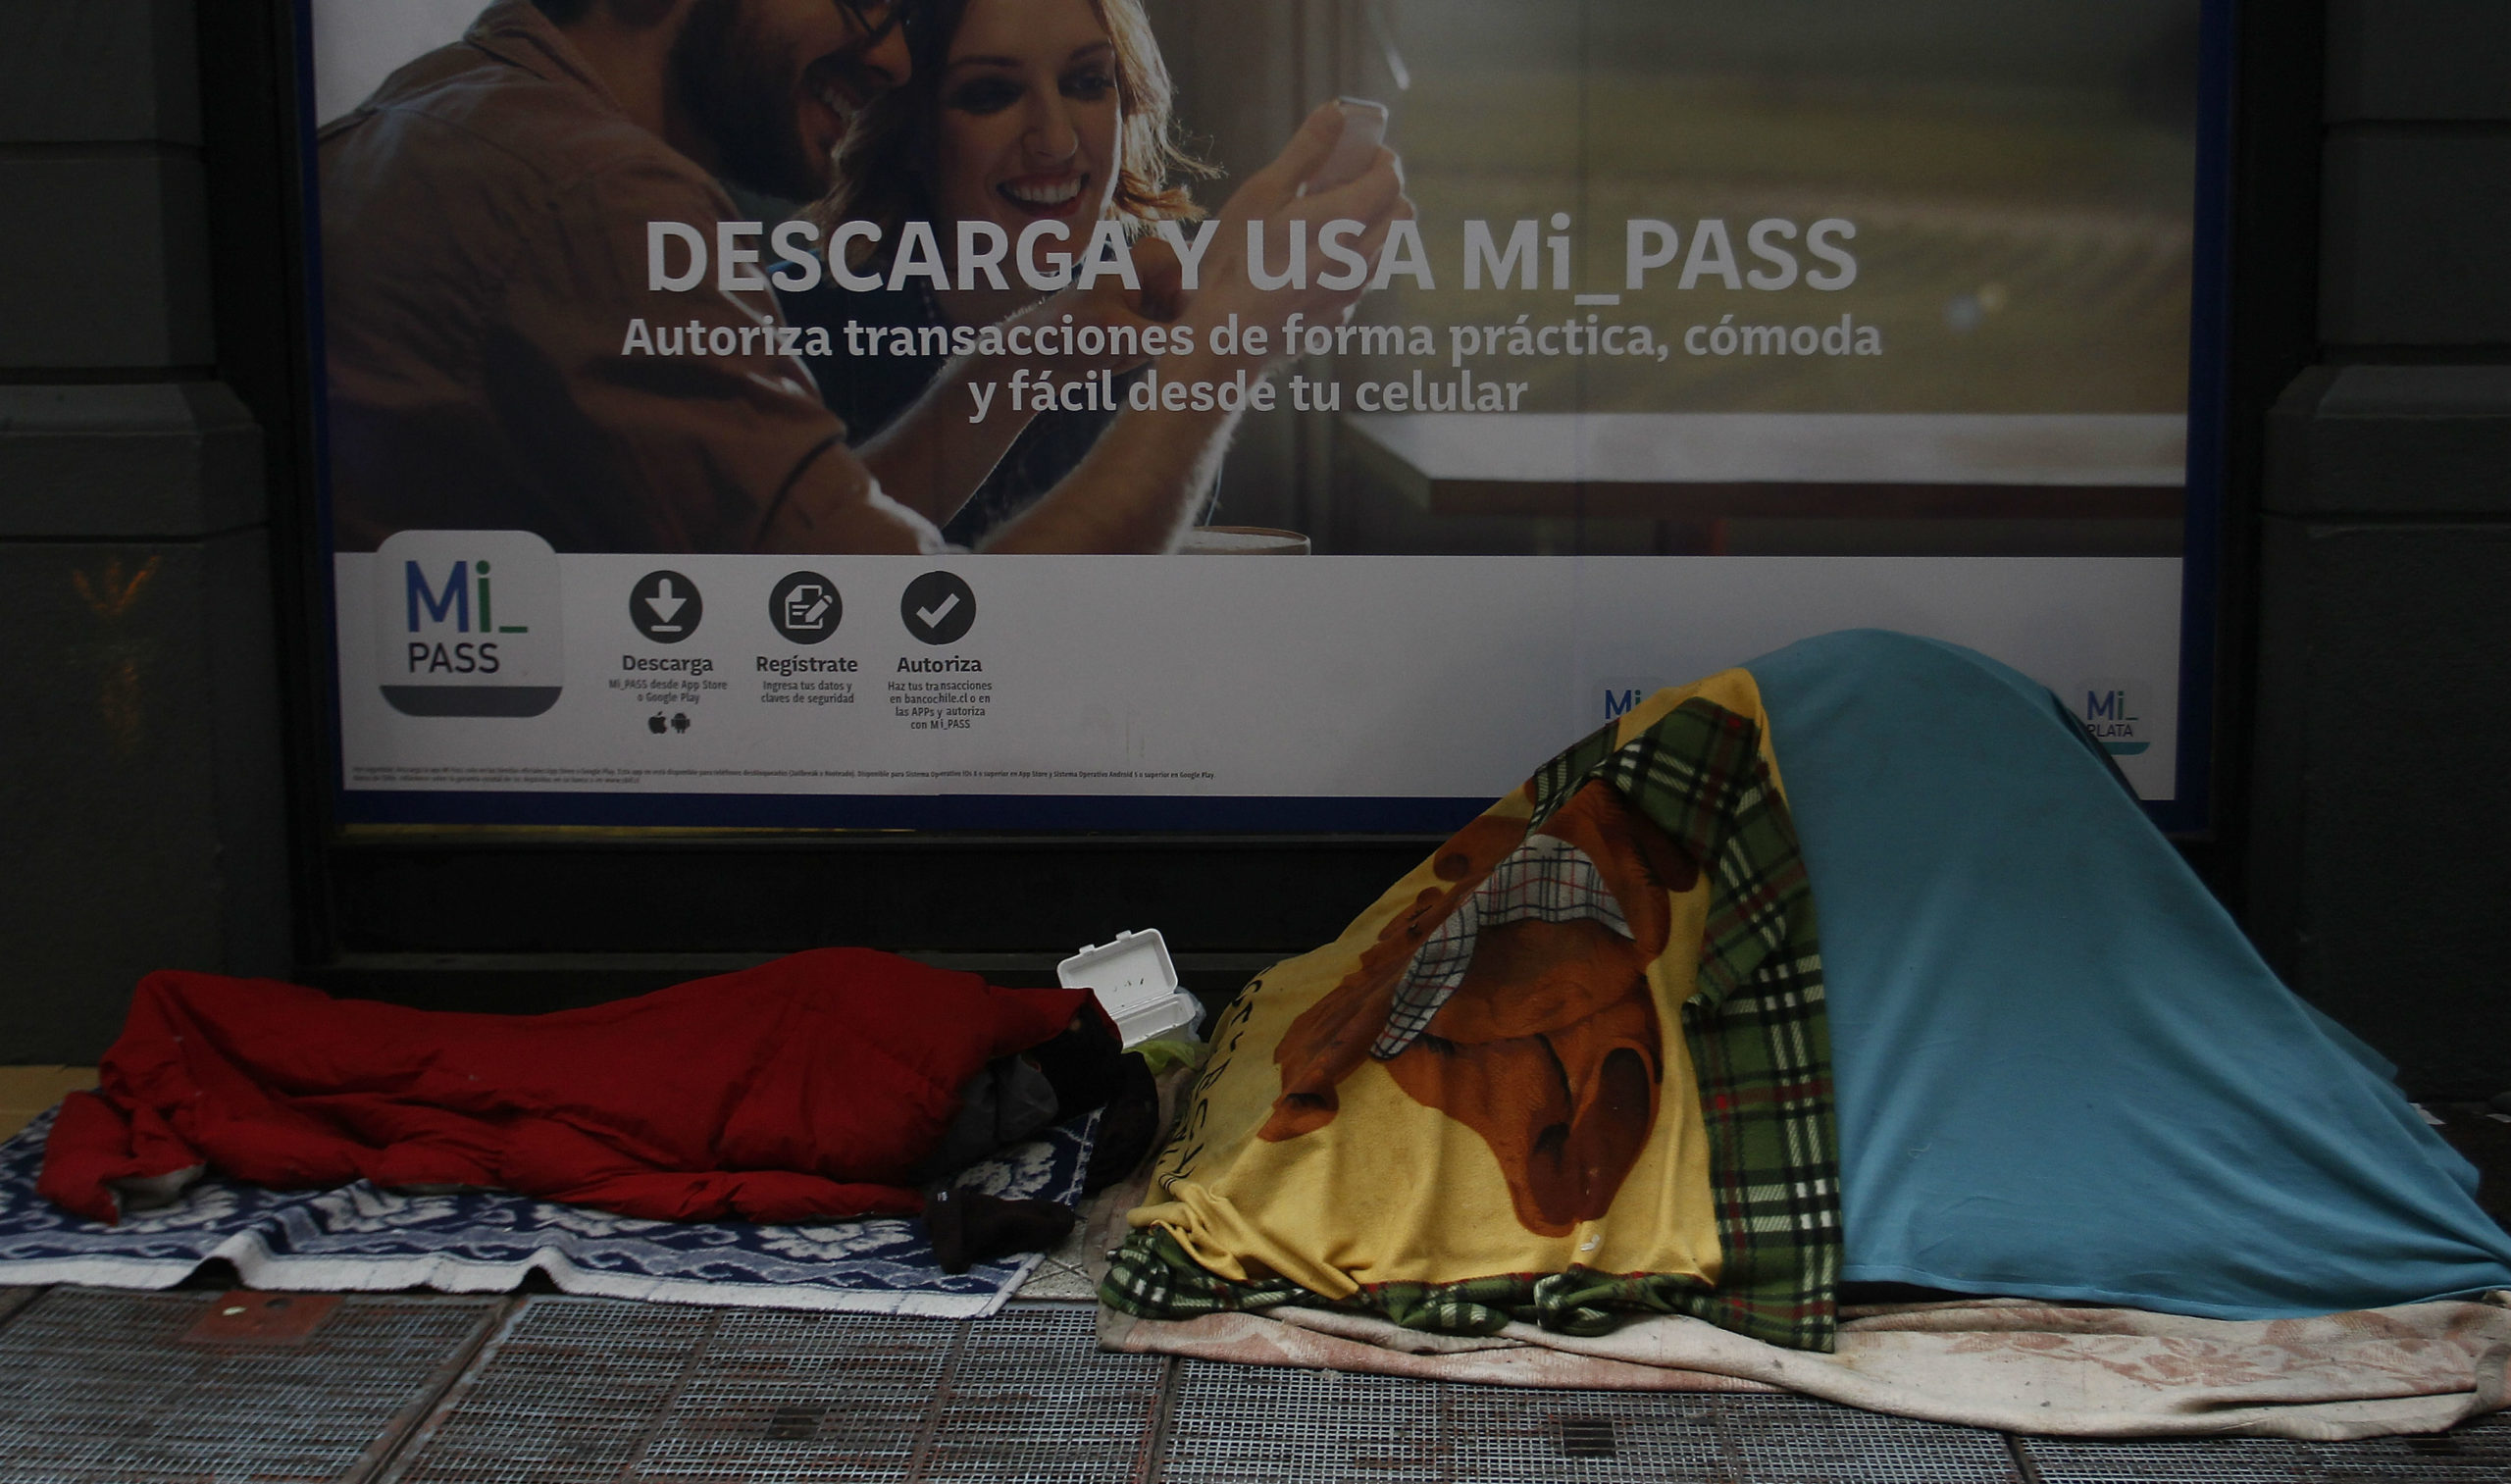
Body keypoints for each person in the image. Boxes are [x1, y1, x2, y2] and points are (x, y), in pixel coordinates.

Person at [318, 0, 1409, 554]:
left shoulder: (447, 108)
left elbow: (787, 563)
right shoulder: (600, 194)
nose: (886, 57)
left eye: (1088, 83)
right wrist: (1224, 347)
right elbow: (895, 647)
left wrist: (1039, 350)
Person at [781, 0, 1214, 546]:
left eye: (1086, 82)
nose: (1056, 142)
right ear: (910, 132)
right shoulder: (783, 323)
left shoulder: (1160, 308)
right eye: (991, 94)